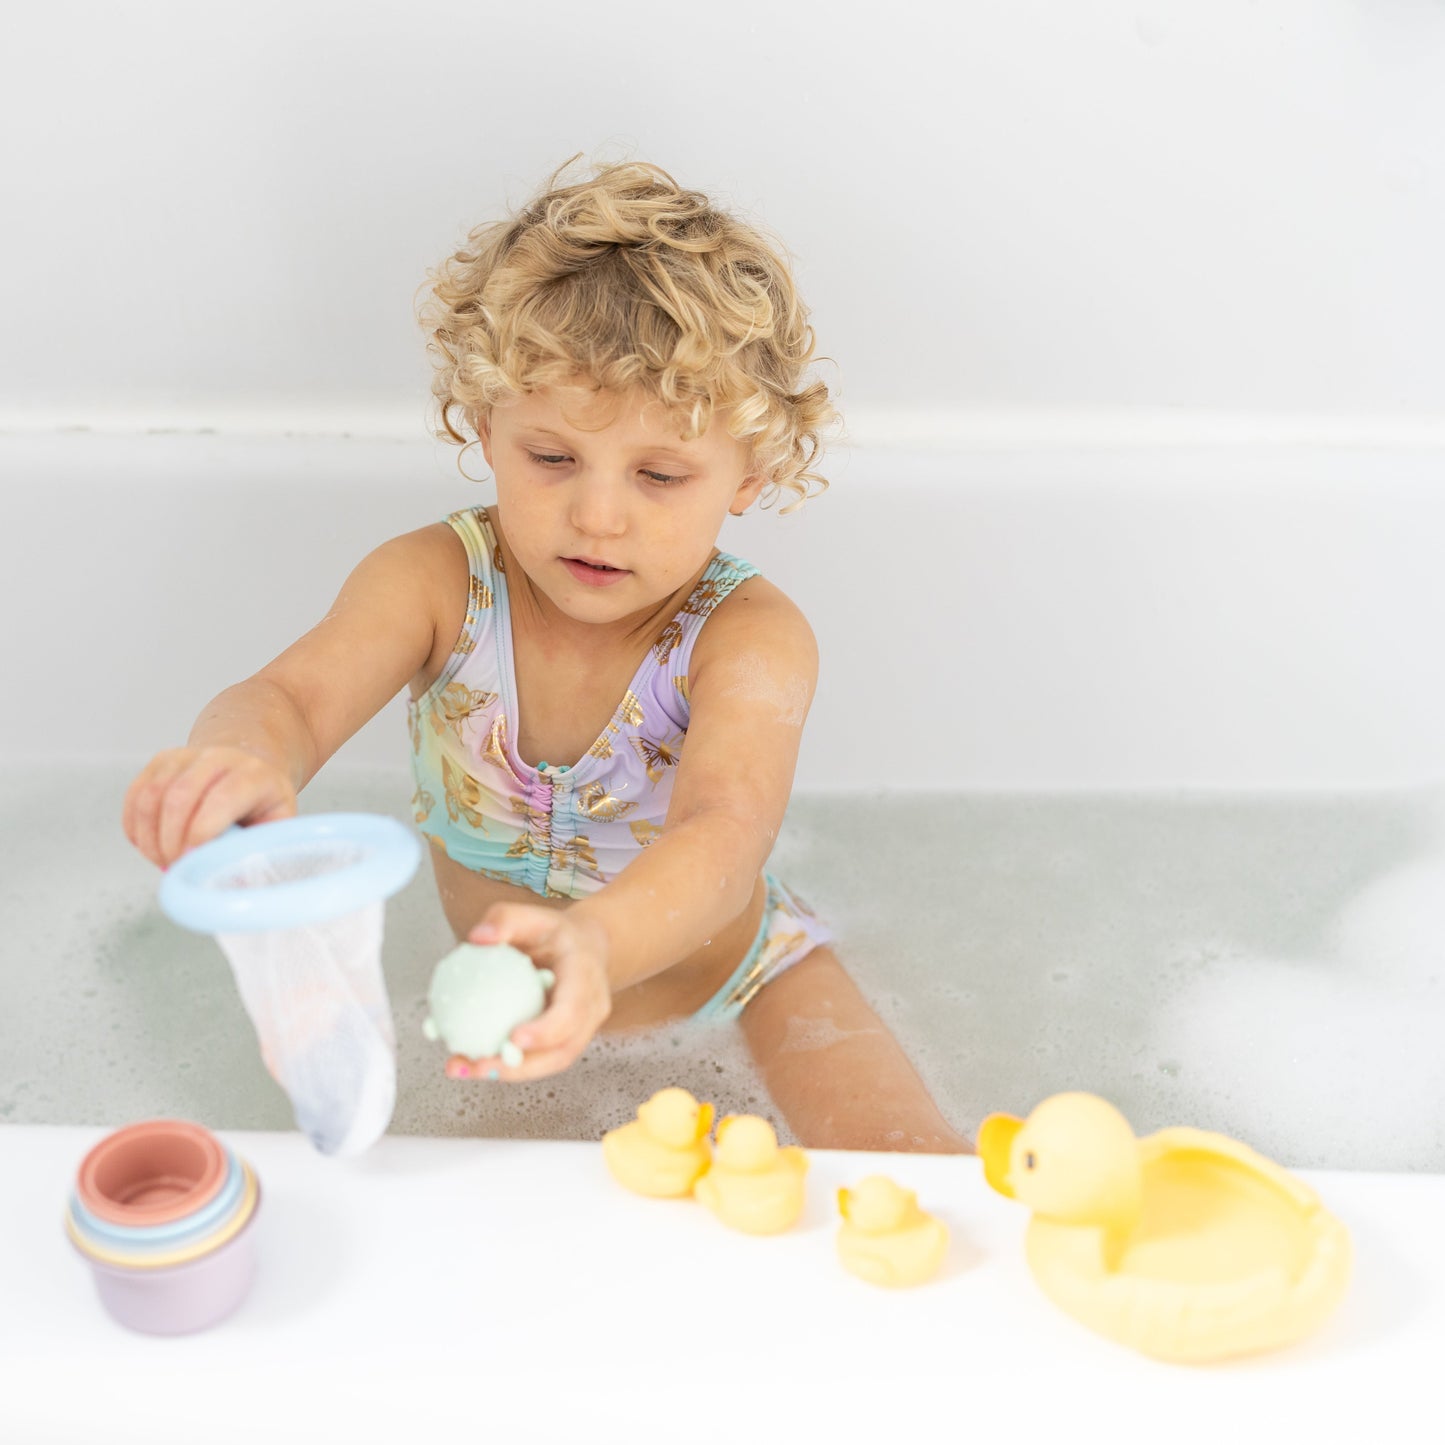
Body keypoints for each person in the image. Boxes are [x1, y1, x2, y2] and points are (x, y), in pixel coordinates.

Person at [122, 158, 969, 1154]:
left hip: (746, 980)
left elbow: (722, 828)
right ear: (484, 424)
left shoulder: (744, 635)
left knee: (914, 1175)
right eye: (551, 457)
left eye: (659, 473)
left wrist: (597, 943)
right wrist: (242, 760)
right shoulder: (439, 584)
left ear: (751, 472)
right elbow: (290, 699)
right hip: (502, 1011)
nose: (597, 514)